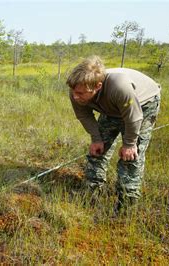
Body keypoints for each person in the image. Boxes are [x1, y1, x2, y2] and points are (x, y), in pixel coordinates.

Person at [66, 56, 161, 214]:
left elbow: (134, 117)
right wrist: (96, 139)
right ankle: (92, 191)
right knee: (97, 151)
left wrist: (129, 144)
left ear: (98, 86)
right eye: (74, 92)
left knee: (130, 157)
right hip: (111, 108)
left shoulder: (119, 86)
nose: (75, 96)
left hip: (143, 104)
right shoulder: (77, 91)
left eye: (81, 93)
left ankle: (127, 203)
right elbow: (85, 116)